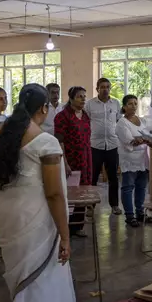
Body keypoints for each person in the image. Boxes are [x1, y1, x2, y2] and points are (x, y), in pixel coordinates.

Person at [0, 84, 77, 302]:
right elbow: (55, 194)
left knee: (21, 281)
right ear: (44, 108)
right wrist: (65, 237)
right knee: (43, 281)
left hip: (7, 220)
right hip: (38, 225)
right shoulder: (45, 141)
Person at [55, 86, 92, 237]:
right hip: (70, 158)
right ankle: (66, 227)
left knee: (82, 191)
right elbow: (59, 141)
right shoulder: (62, 117)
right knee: (69, 192)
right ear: (71, 99)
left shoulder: (85, 115)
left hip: (85, 157)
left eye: (84, 96)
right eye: (79, 96)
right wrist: (65, 162)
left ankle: (78, 226)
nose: (83, 99)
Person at [85, 78, 122, 215]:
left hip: (112, 144)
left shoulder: (116, 104)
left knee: (113, 177)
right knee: (92, 177)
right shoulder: (89, 105)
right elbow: (86, 122)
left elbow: (118, 121)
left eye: (107, 87)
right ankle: (90, 205)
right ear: (97, 89)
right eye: (102, 87)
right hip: (95, 145)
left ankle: (114, 205)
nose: (105, 89)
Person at [116, 94, 152, 227]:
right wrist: (141, 139)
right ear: (124, 107)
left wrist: (145, 139)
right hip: (129, 159)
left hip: (143, 158)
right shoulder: (122, 122)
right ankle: (130, 215)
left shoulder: (141, 120)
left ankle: (140, 212)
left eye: (135, 103)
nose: (133, 106)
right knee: (128, 187)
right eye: (130, 104)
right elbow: (129, 141)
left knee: (141, 187)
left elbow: (147, 135)